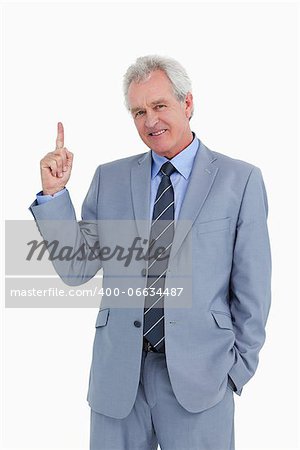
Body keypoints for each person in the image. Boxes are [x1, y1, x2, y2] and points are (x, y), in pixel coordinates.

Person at [30, 55, 272, 450]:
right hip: (119, 380)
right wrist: (55, 196)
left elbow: (253, 287)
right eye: (139, 111)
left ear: (187, 104)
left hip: (202, 381)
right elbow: (77, 267)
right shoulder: (110, 178)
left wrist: (236, 372)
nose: (150, 121)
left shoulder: (239, 180)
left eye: (160, 106)